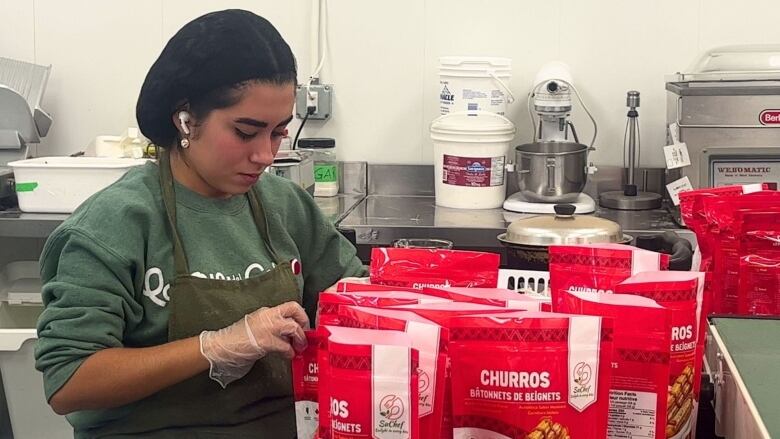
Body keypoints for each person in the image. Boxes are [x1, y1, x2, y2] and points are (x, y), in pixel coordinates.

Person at [34, 9, 365, 438]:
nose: (266, 155)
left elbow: (356, 302)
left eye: (279, 132)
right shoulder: (116, 224)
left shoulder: (284, 206)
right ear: (185, 119)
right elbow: (68, 380)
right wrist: (215, 347)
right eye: (246, 132)